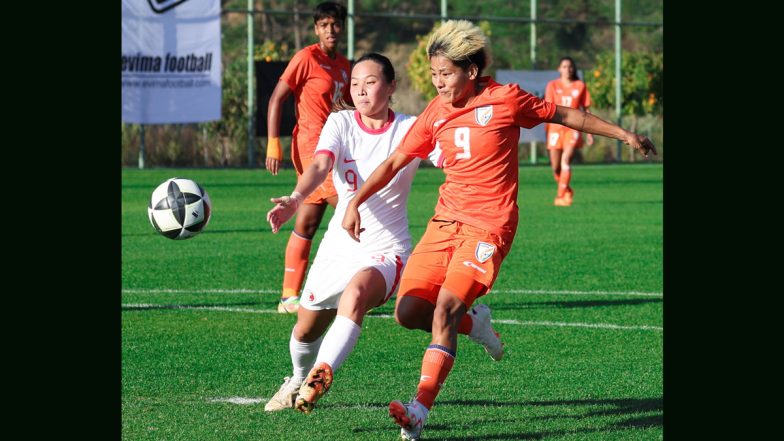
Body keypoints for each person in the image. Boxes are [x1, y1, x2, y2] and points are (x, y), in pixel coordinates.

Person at [341, 20, 656, 441]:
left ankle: (419, 408)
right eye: (434, 74)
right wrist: (356, 201)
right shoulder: (436, 111)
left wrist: (624, 134)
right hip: (445, 223)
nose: (438, 83)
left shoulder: (506, 100)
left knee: (445, 308)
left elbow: (564, 115)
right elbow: (395, 161)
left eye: (446, 74)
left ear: (470, 72)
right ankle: (478, 326)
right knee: (408, 312)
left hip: (489, 225)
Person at [263, 53, 445, 414]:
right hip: (339, 245)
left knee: (357, 294)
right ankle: (297, 378)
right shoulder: (340, 122)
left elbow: (449, 157)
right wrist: (296, 198)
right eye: (356, 83)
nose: (361, 90)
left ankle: (322, 373)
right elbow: (321, 163)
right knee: (305, 329)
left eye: (371, 82)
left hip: (387, 248)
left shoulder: (410, 127)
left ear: (392, 87)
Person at [265, 1, 352, 313]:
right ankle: (351, 288)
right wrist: (273, 142)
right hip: (310, 147)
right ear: (316, 29)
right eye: (324, 25)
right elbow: (277, 98)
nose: (330, 30)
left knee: (308, 217)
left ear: (342, 27)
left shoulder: (344, 65)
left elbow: (344, 106)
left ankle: (289, 297)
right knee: (351, 209)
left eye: (335, 24)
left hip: (334, 146)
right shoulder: (306, 57)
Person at [544, 56, 594, 206]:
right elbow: (547, 107)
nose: (568, 69)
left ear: (574, 69)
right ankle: (566, 189)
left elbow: (586, 110)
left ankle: (561, 196)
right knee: (556, 167)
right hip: (555, 129)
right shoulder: (552, 85)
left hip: (573, 128)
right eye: (564, 66)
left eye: (570, 66)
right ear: (559, 69)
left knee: (566, 160)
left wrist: (590, 133)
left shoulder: (580, 85)